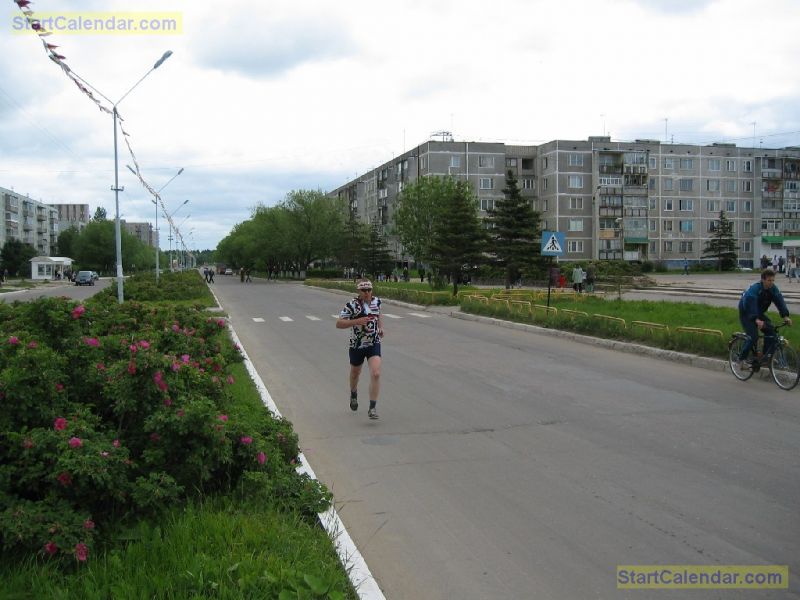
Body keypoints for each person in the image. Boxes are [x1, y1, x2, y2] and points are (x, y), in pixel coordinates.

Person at [336, 279, 384, 420]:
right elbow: (338, 323)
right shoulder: (352, 305)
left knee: (376, 373)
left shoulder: (377, 302)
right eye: (364, 290)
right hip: (357, 345)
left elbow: (378, 314)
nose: (367, 292)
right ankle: (353, 393)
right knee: (355, 373)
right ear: (359, 291)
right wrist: (356, 321)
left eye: (369, 289)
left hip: (373, 342)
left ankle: (372, 407)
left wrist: (380, 327)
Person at [737, 268, 792, 369]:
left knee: (771, 332)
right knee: (753, 336)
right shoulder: (755, 289)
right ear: (763, 280)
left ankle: (766, 357)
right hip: (746, 312)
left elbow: (779, 301)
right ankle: (741, 360)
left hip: (758, 312)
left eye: (773, 280)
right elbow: (749, 304)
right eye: (769, 280)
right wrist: (756, 320)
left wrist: (785, 316)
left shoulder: (773, 289)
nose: (771, 283)